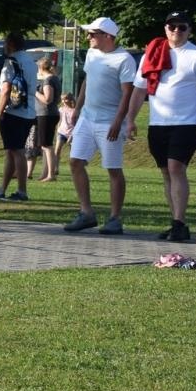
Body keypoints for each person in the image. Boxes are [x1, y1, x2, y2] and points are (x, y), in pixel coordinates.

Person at [126, 10, 196, 243]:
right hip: (159, 122)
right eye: (171, 26)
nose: (176, 30)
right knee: (166, 172)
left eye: (182, 27)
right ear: (165, 28)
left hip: (188, 122)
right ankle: (177, 222)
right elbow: (139, 90)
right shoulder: (153, 54)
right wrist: (130, 119)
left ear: (190, 30)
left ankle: (178, 223)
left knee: (176, 167)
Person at [62, 17, 138, 234]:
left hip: (109, 121)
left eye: (92, 34)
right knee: (75, 162)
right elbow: (87, 80)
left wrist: (118, 121)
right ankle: (86, 213)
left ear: (107, 36)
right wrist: (78, 108)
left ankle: (115, 218)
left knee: (113, 169)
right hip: (87, 117)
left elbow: (127, 93)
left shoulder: (124, 60)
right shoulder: (92, 54)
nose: (88, 38)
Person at [0, 33, 37, 202]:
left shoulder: (11, 62)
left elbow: (6, 89)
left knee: (17, 151)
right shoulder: (31, 61)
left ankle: (22, 191)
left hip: (14, 111)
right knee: (11, 150)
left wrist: (0, 111)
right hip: (30, 110)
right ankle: (2, 188)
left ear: (10, 44)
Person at [27, 54, 63, 182]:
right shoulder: (55, 78)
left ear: (41, 68)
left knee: (47, 145)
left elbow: (48, 99)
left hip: (46, 114)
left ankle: (51, 175)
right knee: (45, 145)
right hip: (50, 114)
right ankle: (45, 174)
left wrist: (34, 92)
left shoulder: (48, 80)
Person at [54, 92, 77, 165]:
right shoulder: (61, 109)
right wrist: (57, 130)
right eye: (62, 100)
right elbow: (60, 120)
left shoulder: (75, 110)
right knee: (57, 150)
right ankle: (56, 168)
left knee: (72, 153)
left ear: (70, 99)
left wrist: (72, 135)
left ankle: (73, 169)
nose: (63, 101)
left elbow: (77, 124)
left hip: (72, 133)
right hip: (62, 132)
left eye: (65, 99)